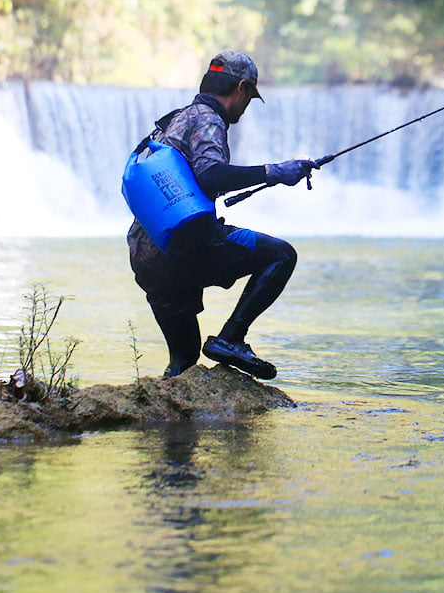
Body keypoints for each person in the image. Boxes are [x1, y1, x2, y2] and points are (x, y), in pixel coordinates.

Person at [127, 50, 317, 380]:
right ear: (241, 88)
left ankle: (172, 426)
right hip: (187, 250)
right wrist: (275, 171)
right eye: (249, 97)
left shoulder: (176, 118)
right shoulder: (208, 120)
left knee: (184, 363)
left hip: (147, 257)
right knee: (282, 255)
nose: (246, 107)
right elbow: (211, 175)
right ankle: (232, 338)